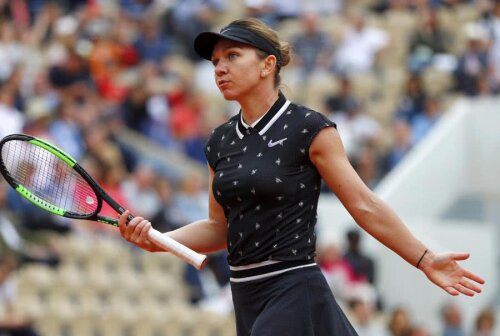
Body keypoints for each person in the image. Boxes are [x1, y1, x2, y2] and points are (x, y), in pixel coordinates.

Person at [118, 18, 485, 336]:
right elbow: (219, 228)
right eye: (215, 61)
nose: (219, 68)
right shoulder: (219, 141)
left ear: (268, 65)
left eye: (232, 56)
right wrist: (160, 240)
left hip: (293, 287)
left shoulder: (309, 128)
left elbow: (364, 203)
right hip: (245, 296)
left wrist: (424, 258)